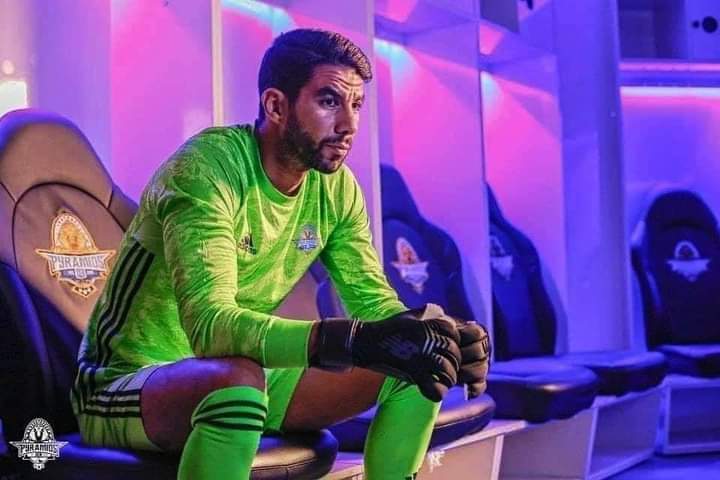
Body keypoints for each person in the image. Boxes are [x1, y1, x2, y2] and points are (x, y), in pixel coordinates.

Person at [71, 28, 489, 480]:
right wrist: (346, 340)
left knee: (417, 362)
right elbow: (211, 327)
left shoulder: (336, 189)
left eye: (356, 105)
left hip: (247, 376)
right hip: (127, 383)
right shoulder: (206, 170)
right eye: (329, 101)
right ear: (275, 105)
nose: (349, 125)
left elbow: (374, 303)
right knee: (236, 384)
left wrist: (437, 333)